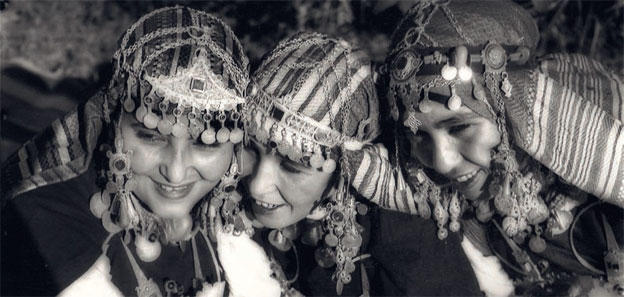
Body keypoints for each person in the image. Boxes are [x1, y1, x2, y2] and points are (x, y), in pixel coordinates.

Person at [349, 0, 624, 296]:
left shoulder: (600, 147)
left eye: (460, 127)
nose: (442, 162)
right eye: (418, 136)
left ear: (516, 107)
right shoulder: (450, 204)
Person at [1, 6, 255, 297]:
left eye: (206, 143)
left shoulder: (232, 217)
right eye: (150, 137)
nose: (175, 172)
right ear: (112, 120)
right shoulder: (42, 228)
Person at [242, 32, 482, 296]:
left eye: (293, 165)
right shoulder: (222, 203)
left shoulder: (401, 231)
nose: (256, 186)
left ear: (347, 172)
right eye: (250, 149)